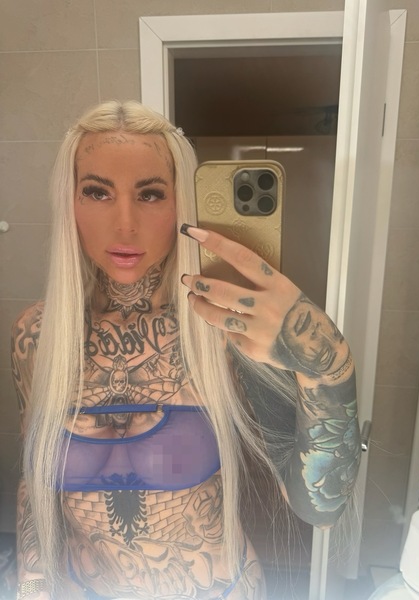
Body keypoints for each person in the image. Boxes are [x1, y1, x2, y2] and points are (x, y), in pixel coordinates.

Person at [11, 100, 361, 600]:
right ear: (69, 201)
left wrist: (328, 365)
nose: (125, 224)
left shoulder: (224, 330)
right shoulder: (38, 335)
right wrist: (32, 584)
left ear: (182, 202)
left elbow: (320, 507)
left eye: (151, 194)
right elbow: (35, 479)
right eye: (97, 192)